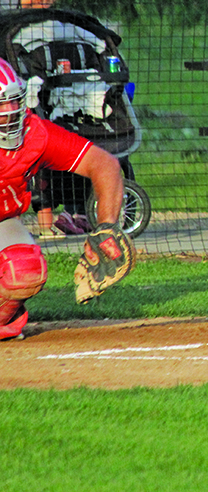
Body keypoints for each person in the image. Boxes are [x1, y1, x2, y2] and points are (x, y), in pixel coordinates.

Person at [0, 58, 126, 340]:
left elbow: (104, 165)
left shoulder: (34, 134)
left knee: (24, 269)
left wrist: (107, 227)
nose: (9, 112)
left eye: (13, 101)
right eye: (1, 104)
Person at [15, 0, 88, 237]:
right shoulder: (43, 27)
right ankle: (70, 214)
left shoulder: (18, 20)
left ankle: (50, 226)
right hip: (36, 102)